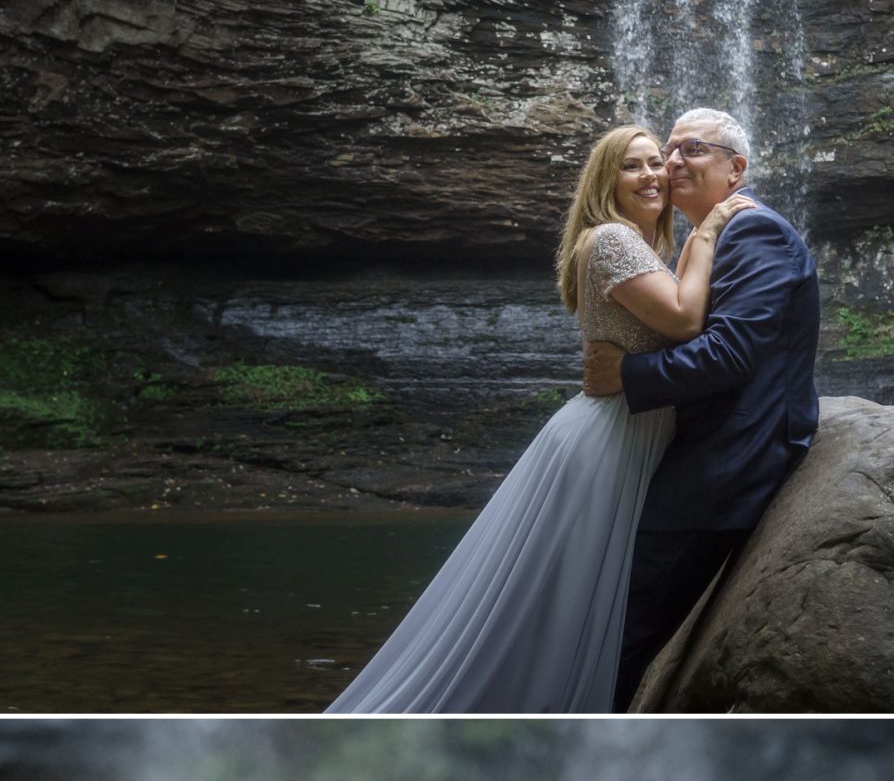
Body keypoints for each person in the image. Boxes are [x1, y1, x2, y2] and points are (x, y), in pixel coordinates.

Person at [326, 127, 754, 713]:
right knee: (551, 595)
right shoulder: (610, 240)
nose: (653, 174)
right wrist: (707, 231)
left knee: (564, 593)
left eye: (658, 162)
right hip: (607, 439)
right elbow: (683, 322)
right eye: (632, 167)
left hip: (626, 428)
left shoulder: (636, 245)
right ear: (605, 182)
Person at [580, 110, 822, 711]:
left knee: (629, 630)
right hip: (703, 451)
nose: (670, 163)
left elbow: (730, 353)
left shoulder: (752, 230)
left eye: (692, 149)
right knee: (622, 623)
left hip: (729, 463)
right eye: (669, 150)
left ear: (736, 169)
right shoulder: (703, 240)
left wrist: (628, 376)